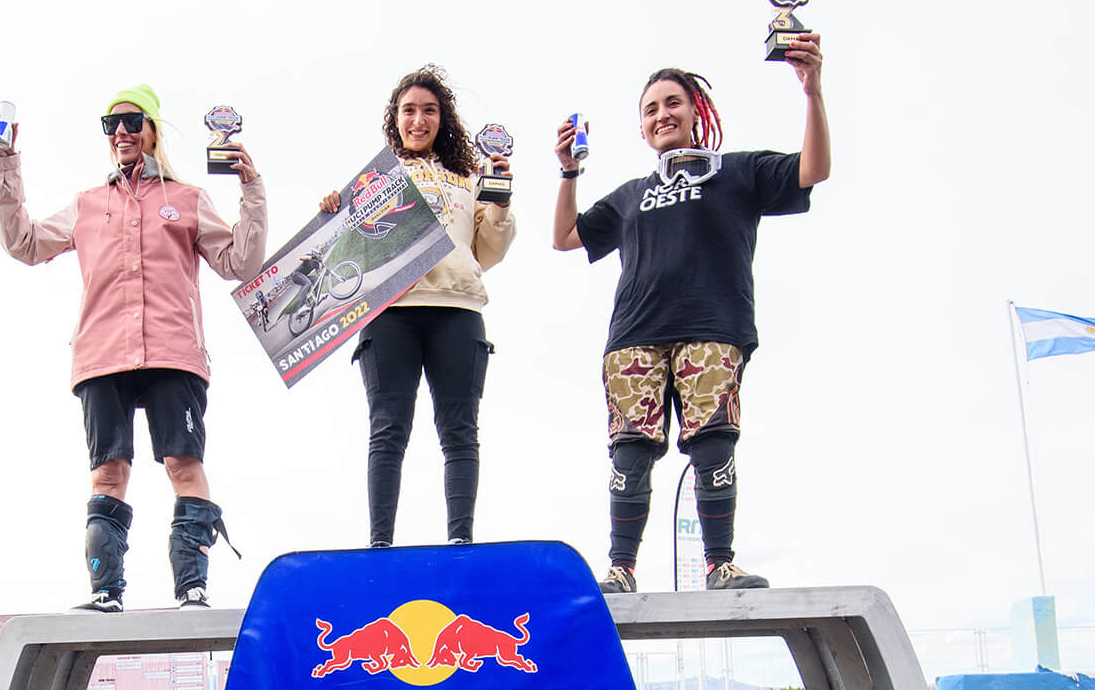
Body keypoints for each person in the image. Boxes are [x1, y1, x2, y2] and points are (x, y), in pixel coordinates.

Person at [553, 34, 829, 592]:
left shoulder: (737, 171)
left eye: (672, 103)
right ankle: (620, 570)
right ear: (641, 128)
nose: (662, 115)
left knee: (712, 442)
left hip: (712, 327)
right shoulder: (631, 193)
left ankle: (719, 565)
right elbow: (564, 236)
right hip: (635, 336)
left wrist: (812, 91)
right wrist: (568, 171)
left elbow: (813, 170)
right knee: (630, 449)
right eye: (650, 109)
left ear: (696, 110)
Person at [0, 85, 266, 611]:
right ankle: (105, 591)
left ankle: (192, 587)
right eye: (110, 124)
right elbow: (23, 243)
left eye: (132, 121)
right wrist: (5, 163)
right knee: (108, 471)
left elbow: (240, 261)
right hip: (102, 354)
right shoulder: (87, 205)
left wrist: (252, 188)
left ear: (153, 130)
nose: (120, 132)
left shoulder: (185, 200)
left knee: (184, 463)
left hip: (173, 350)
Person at [320, 66, 514, 546]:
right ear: (396, 119)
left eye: (429, 110)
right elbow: (351, 249)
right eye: (410, 110)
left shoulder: (469, 179)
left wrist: (501, 203)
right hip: (390, 314)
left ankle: (460, 542)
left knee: (460, 431)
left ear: (442, 119)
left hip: (457, 309)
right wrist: (332, 212)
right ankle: (380, 543)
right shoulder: (375, 181)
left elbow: (488, 250)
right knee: (387, 429)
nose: (419, 120)